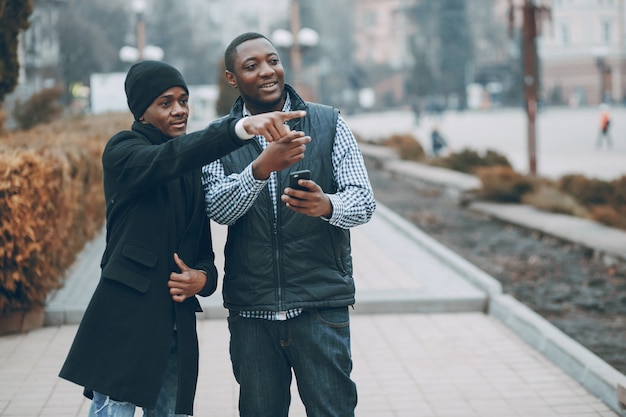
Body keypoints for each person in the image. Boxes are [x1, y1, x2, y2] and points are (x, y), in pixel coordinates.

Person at [58, 60, 307, 417]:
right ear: (141, 112)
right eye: (165, 103)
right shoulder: (124, 151)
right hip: (127, 321)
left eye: (183, 100)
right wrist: (237, 129)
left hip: (175, 324)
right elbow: (167, 159)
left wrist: (201, 278)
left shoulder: (190, 169)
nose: (179, 111)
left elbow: (204, 257)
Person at [201, 32, 376, 417]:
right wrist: (261, 170)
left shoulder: (328, 122)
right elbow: (219, 208)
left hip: (319, 307)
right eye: (251, 65)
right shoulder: (219, 139)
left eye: (273, 60)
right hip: (252, 312)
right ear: (232, 78)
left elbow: (363, 201)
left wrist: (325, 205)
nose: (267, 71)